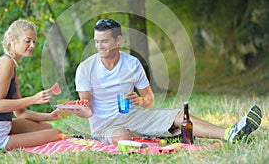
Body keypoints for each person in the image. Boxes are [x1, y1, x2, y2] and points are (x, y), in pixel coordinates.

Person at [68, 18, 262, 145]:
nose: (99, 46)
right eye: (96, 41)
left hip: (134, 115)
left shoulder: (132, 63)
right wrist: (77, 110)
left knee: (178, 116)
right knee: (124, 138)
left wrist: (140, 101)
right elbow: (88, 109)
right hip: (105, 125)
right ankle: (153, 135)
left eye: (104, 41)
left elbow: (149, 99)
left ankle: (230, 133)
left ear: (118, 40)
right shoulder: (86, 68)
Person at [0, 19, 64, 152]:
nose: (32, 45)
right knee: (57, 134)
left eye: (34, 41)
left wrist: (49, 116)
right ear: (13, 39)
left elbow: (20, 113)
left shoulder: (12, 65)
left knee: (48, 127)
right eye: (27, 41)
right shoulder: (6, 63)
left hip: (2, 126)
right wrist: (33, 99)